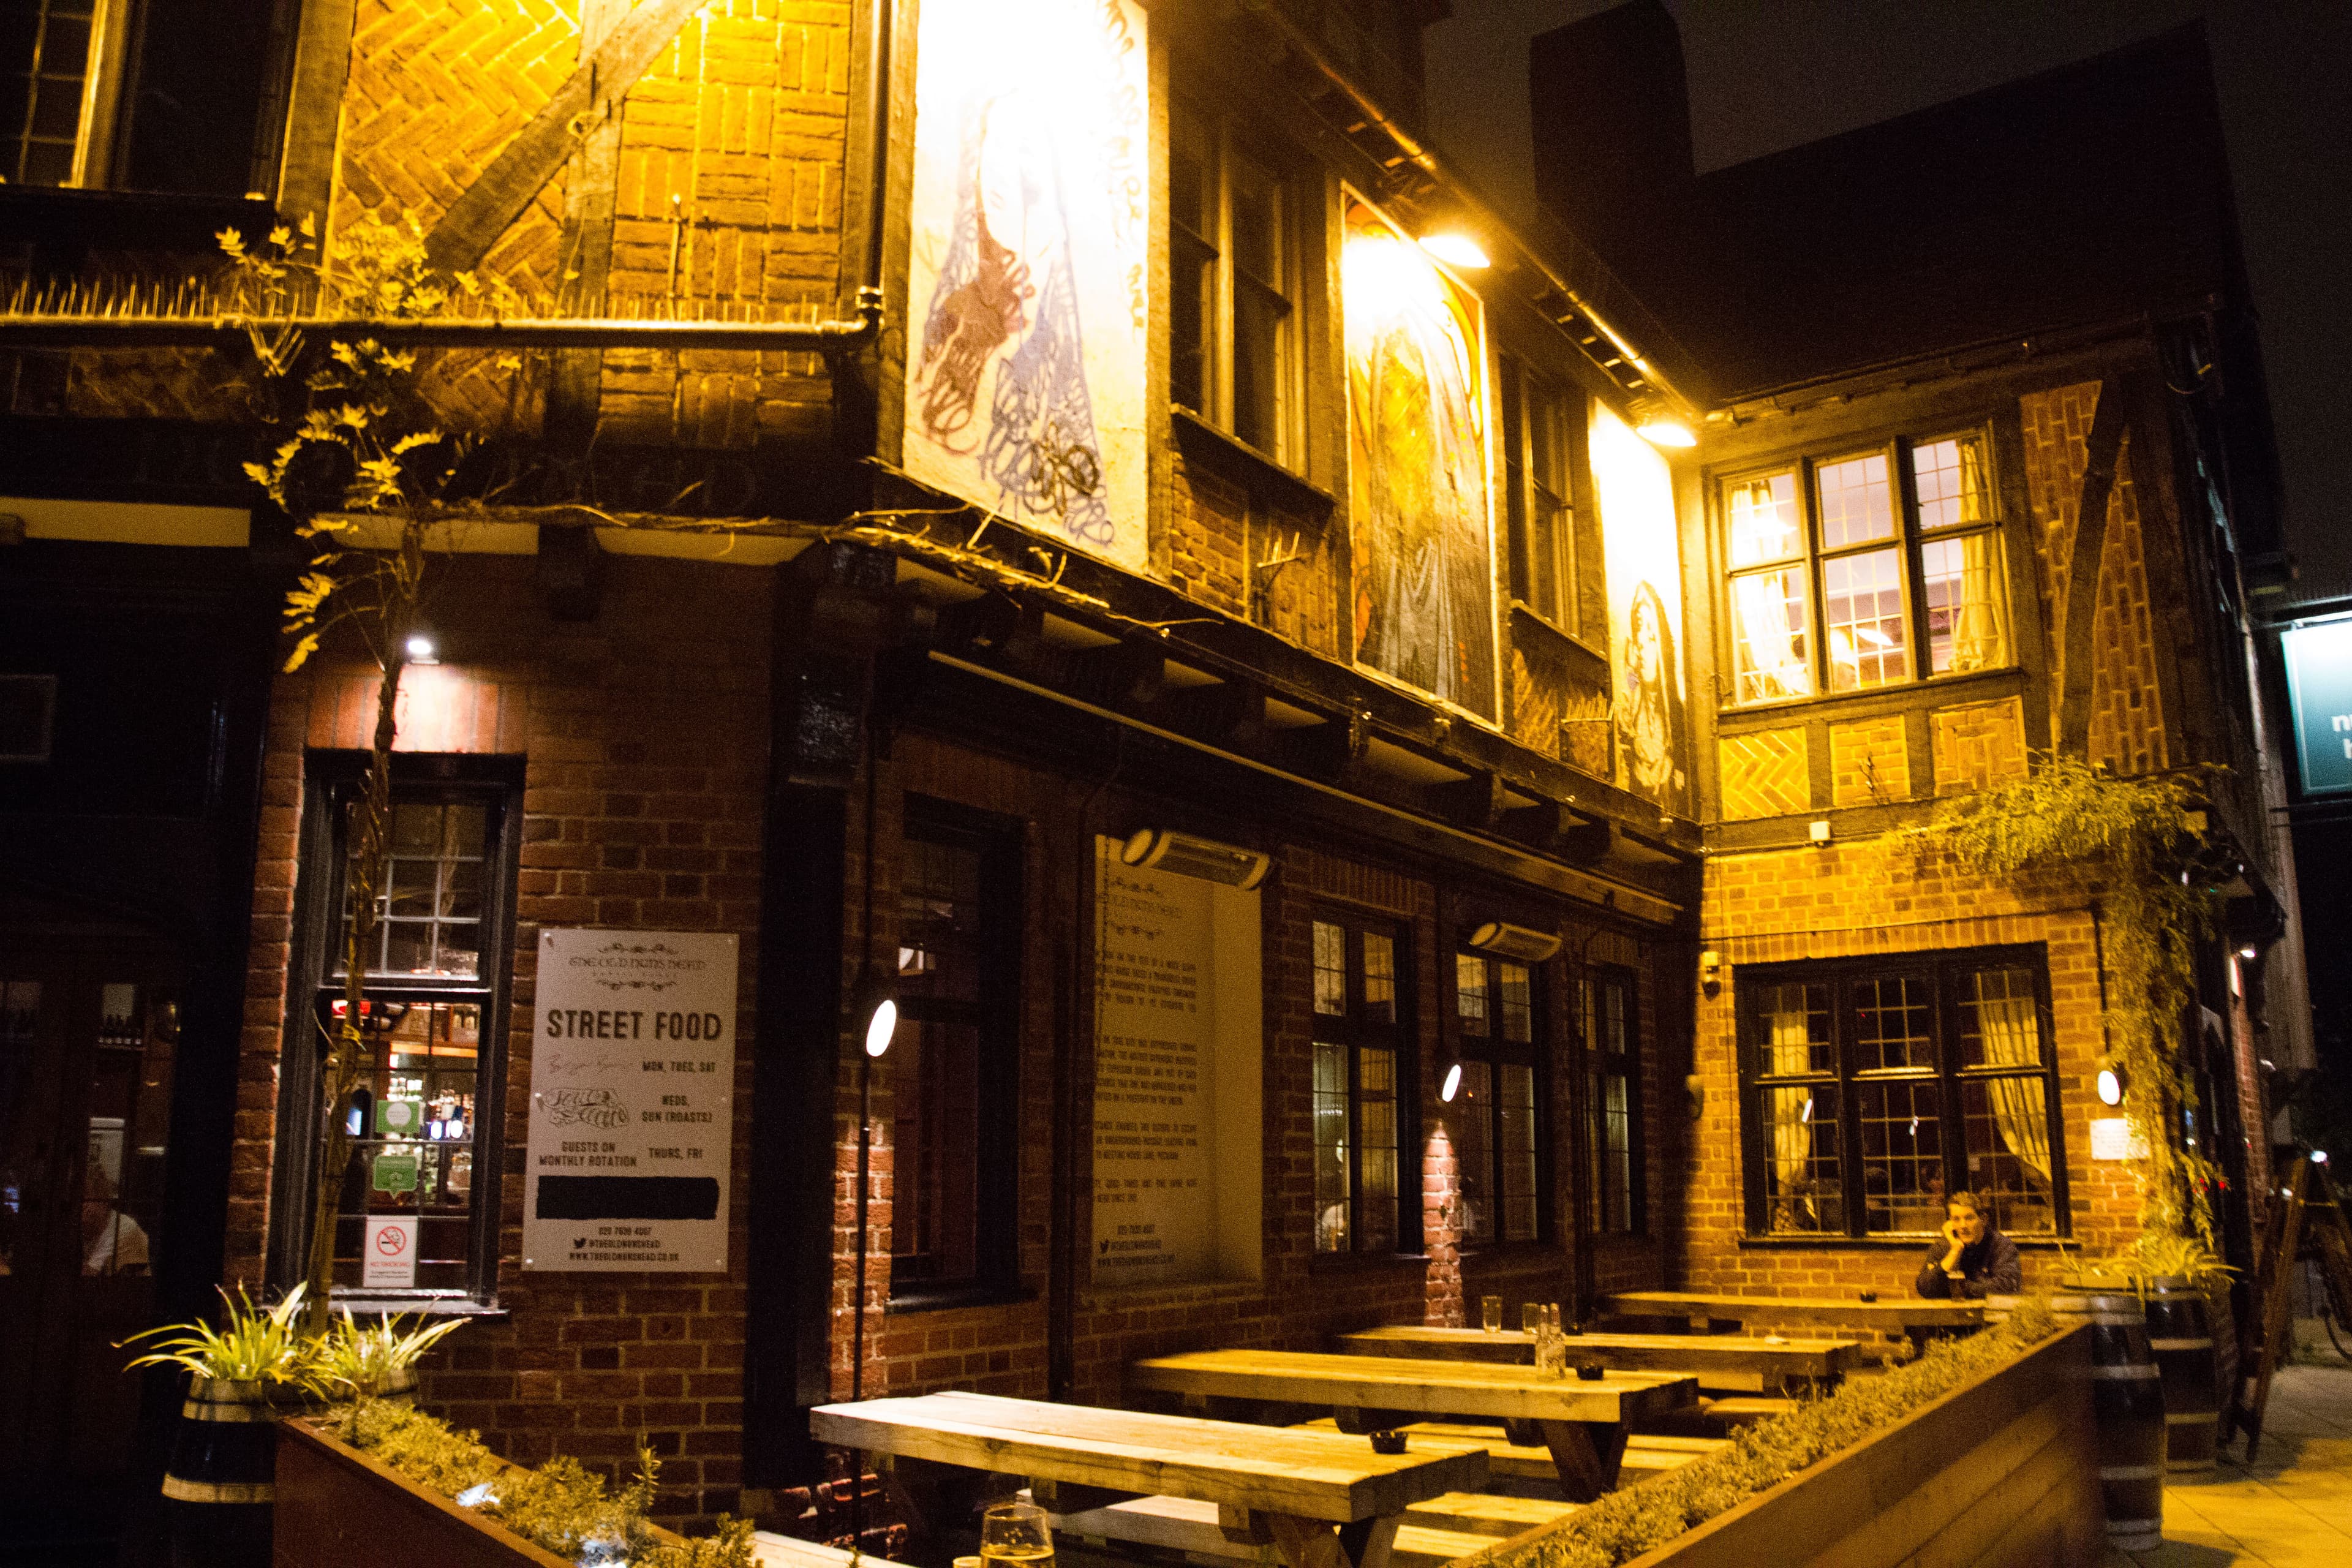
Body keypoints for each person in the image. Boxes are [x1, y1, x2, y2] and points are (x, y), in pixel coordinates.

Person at [1914, 1189, 2018, 1299]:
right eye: (1956, 1219)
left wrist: (1961, 1287)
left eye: (1969, 1218)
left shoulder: (2001, 1245)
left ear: (1983, 1220)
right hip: (1951, 1314)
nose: (1963, 1225)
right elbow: (1925, 1288)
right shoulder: (1944, 1246)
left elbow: (2008, 1286)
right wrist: (1954, 1252)